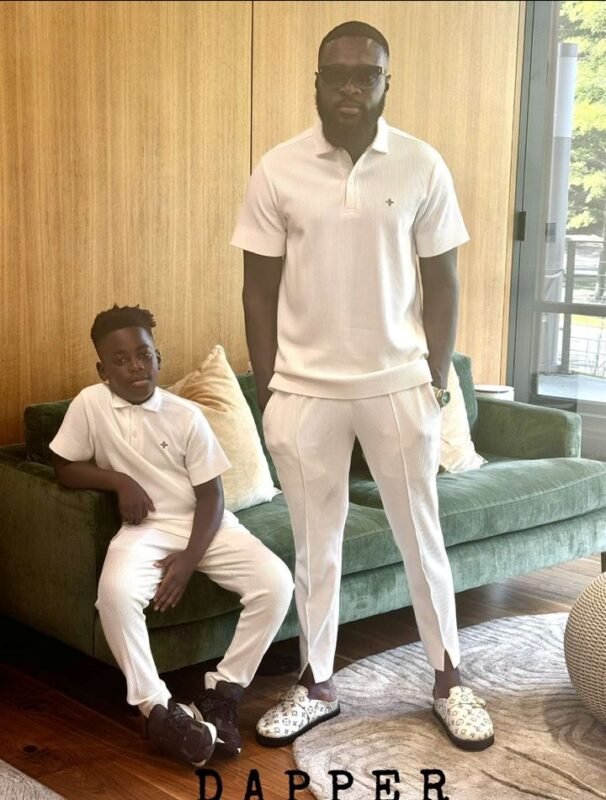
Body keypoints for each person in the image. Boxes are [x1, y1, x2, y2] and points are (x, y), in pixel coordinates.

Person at [233, 20, 494, 751]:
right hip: (305, 392)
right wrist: (270, 389)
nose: (350, 87)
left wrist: (435, 378)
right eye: (337, 74)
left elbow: (444, 281)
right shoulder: (277, 169)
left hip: (397, 384)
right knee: (315, 546)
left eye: (365, 74)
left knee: (421, 538)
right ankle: (316, 682)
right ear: (316, 82)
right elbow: (258, 289)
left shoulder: (420, 164)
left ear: (386, 83)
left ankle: (450, 680)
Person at [50, 304, 294, 767]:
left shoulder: (186, 416)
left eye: (143, 355)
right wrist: (119, 481)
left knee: (277, 583)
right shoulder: (90, 404)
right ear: (103, 370)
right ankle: (157, 710)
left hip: (205, 525)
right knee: (115, 596)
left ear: (158, 358)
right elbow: (64, 466)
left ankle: (223, 692)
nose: (135, 367)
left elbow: (212, 497)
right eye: (120, 360)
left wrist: (187, 562)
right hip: (144, 530)